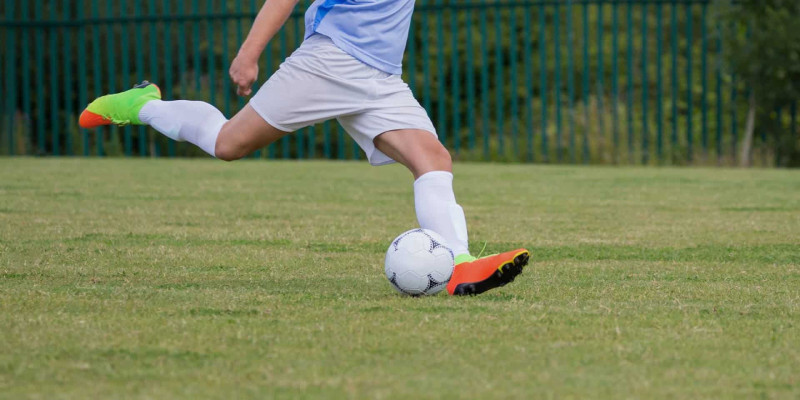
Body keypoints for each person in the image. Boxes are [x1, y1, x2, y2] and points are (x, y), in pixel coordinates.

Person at [79, 0, 529, 295]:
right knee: (227, 143)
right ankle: (142, 104)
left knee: (432, 158)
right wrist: (249, 53)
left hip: (381, 78)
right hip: (330, 62)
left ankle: (461, 265)